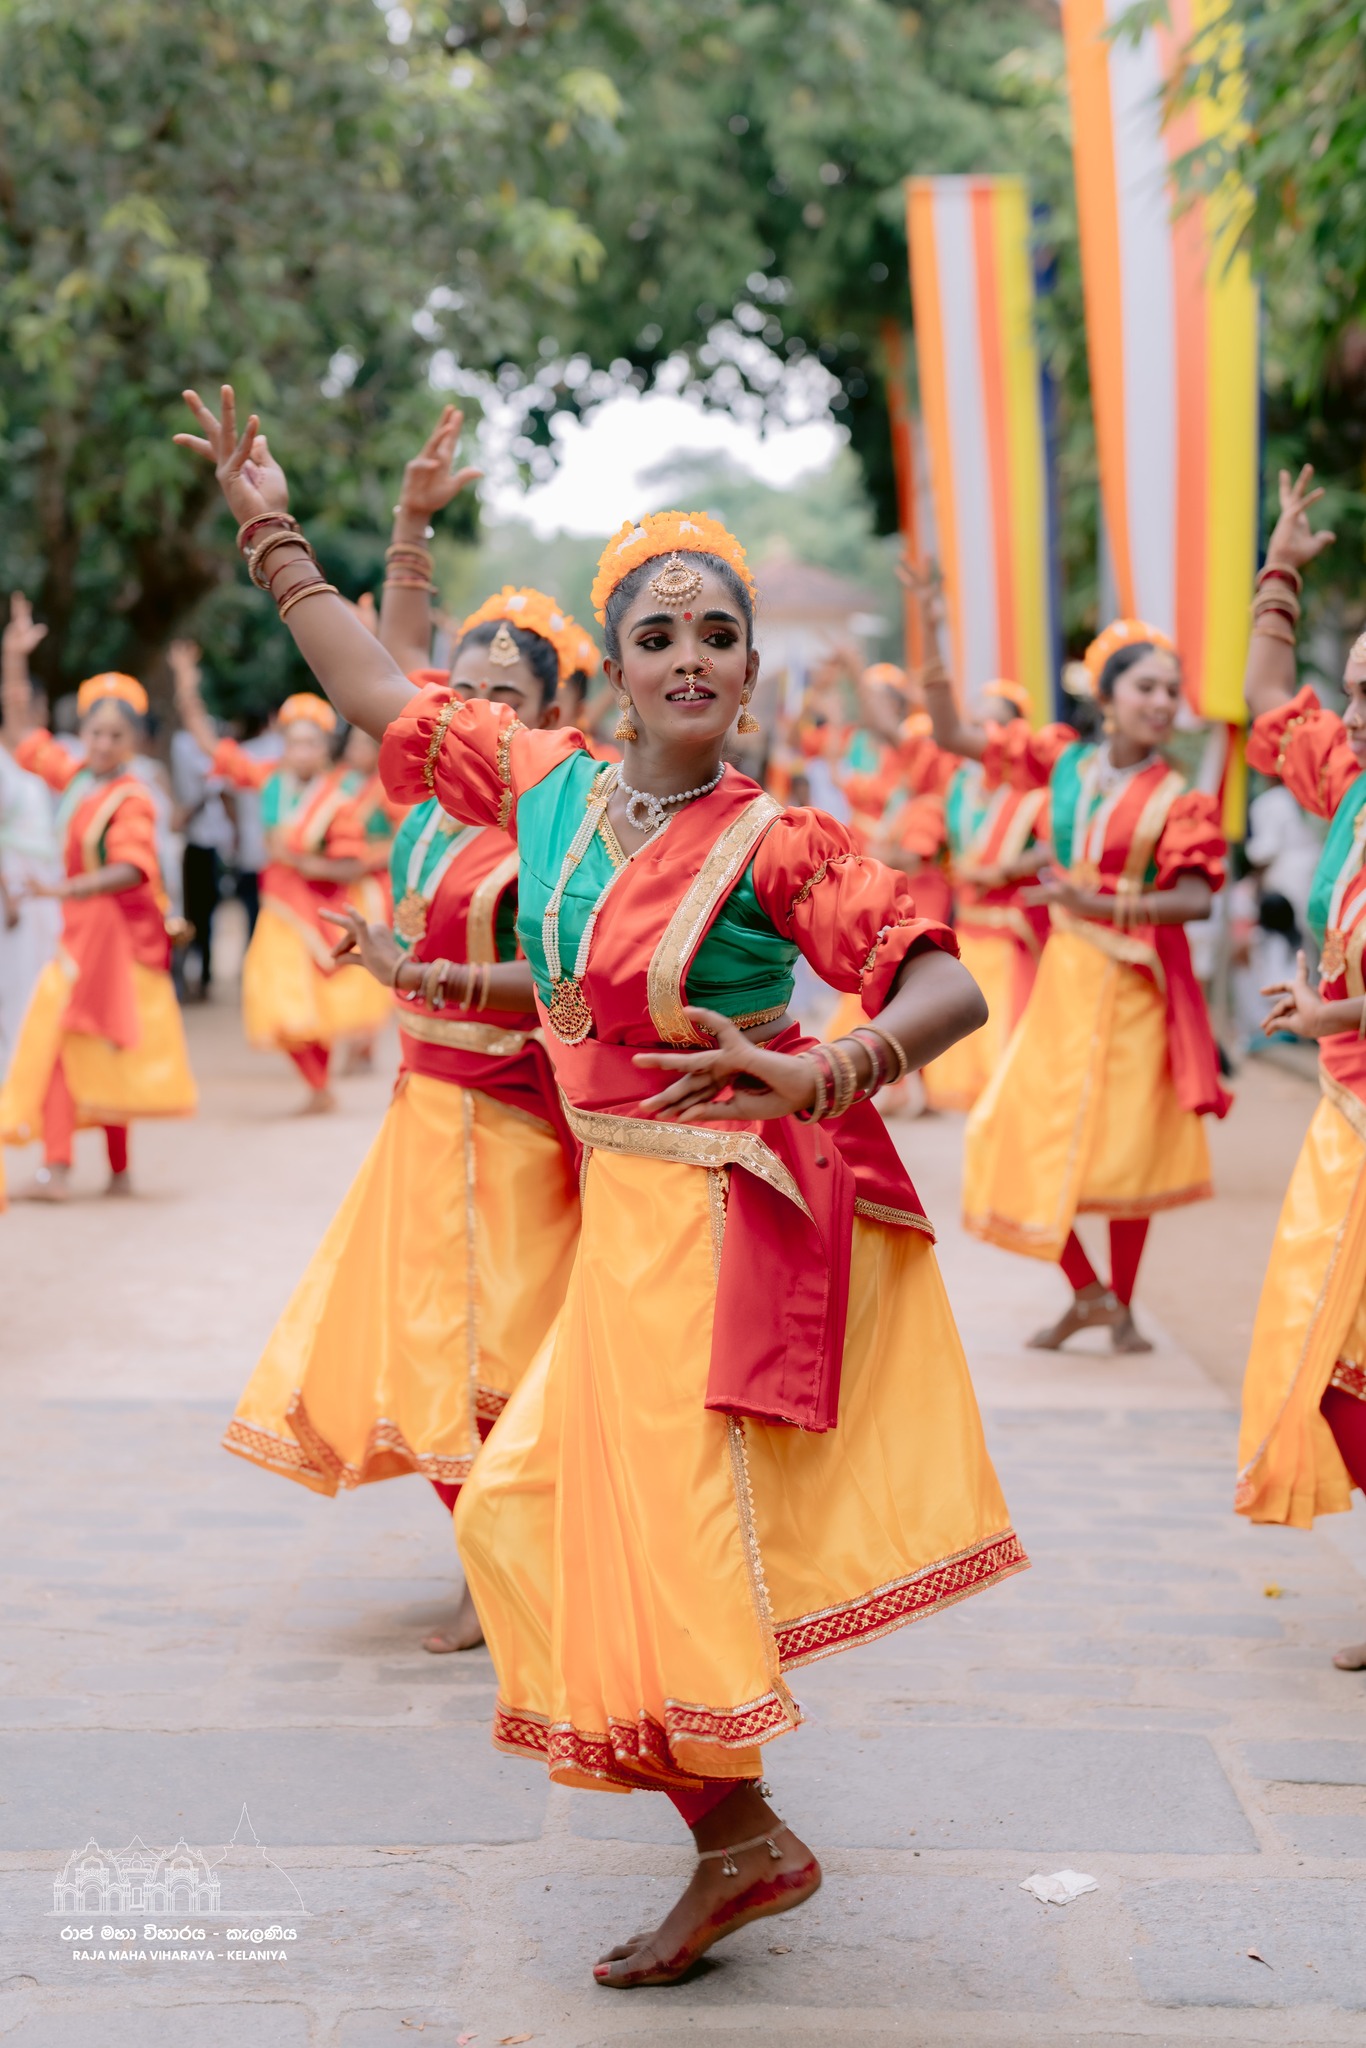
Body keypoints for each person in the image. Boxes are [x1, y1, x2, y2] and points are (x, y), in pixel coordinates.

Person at [177, 385, 1026, 1990]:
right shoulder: (550, 788)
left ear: (751, 671)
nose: (688, 655)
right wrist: (269, 528)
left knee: (641, 1529)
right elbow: (376, 689)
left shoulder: (779, 844)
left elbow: (944, 982)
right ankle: (736, 1831)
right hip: (619, 1218)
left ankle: (737, 1833)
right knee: (528, 1514)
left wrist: (826, 1069)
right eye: (657, 635)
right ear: (618, 670)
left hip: (716, 1220)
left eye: (717, 634)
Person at [224, 585, 581, 1657]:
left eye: (503, 695)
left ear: (552, 711)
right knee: (427, 1344)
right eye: (460, 690)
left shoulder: (558, 822)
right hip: (424, 1109)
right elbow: (390, 675)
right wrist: (412, 533)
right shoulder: (426, 806)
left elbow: (563, 981)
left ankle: (507, 1565)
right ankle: (489, 1558)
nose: (473, 709)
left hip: (511, 1118)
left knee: (501, 1345)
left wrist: (418, 973)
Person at [925, 598, 1230, 1353]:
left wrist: (1092, 900)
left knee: (1127, 1148)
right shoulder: (1063, 763)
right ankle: (1089, 1293)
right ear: (1107, 697)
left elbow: (1195, 898)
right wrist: (933, 630)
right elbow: (954, 735)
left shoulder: (1179, 799)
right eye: (1146, 687)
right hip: (1065, 978)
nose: (1162, 702)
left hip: (1132, 988)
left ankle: (1118, 1305)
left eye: (1171, 690)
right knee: (1009, 1129)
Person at [1230, 465, 1366, 1665]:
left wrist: (1336, 1007)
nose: (1352, 712)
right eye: (1355, 689)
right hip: (1344, 1110)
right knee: (1324, 1355)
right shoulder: (1351, 784)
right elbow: (1268, 697)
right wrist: (1277, 570)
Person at [0, 669, 197, 1197]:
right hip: (82, 928)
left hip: (107, 934)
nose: (104, 743)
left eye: (116, 735)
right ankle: (105, 1169)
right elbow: (24, 740)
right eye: (95, 733)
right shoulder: (81, 778)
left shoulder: (132, 796)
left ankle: (64, 1168)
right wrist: (15, 662)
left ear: (134, 741)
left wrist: (63, 889)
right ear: (81, 734)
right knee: (83, 1042)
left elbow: (131, 868)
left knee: (69, 1041)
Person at [172, 648, 391, 1112]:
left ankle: (320, 1085)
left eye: (311, 743)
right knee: (275, 997)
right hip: (278, 904)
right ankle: (318, 1084)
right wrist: (188, 689)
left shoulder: (339, 796)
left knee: (309, 1001)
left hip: (316, 906)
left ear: (324, 748)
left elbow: (352, 863)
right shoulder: (269, 777)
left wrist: (307, 864)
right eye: (294, 742)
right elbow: (213, 748)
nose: (301, 752)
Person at [914, 657, 1048, 1114]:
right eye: (978, 722)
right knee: (968, 1050)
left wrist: (1009, 868)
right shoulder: (960, 785)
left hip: (1012, 930)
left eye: (996, 722)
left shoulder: (1034, 791)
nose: (985, 731)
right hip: (969, 926)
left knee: (1008, 1047)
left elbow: (1061, 846)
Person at [0, 597, 62, 1069]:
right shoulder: (8, 764)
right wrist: (13, 658)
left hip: (45, 890)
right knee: (14, 991)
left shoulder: (41, 763)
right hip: (14, 894)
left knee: (43, 985)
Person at [168, 659, 234, 1001]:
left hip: (209, 842)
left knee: (205, 913)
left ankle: (203, 975)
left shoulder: (206, 749)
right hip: (191, 842)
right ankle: (190, 974)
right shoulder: (182, 744)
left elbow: (220, 789)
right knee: (190, 913)